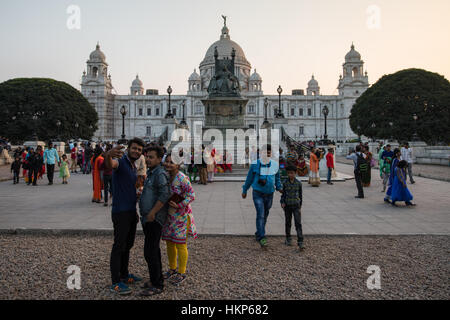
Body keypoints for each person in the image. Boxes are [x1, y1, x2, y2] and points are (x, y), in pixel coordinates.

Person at [104, 137, 145, 295]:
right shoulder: (120, 162)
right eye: (134, 148)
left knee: (127, 245)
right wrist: (108, 154)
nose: (136, 151)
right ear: (128, 148)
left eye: (139, 150)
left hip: (130, 210)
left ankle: (124, 274)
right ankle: (115, 282)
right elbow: (110, 165)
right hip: (120, 211)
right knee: (119, 246)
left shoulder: (133, 166)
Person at [139, 145, 170, 296]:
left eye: (151, 157)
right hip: (147, 217)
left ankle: (158, 284)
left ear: (159, 159)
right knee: (153, 251)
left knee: (150, 252)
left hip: (154, 218)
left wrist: (152, 212)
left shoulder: (160, 174)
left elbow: (165, 195)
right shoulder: (152, 173)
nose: (148, 159)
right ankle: (155, 279)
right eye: (147, 156)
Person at [162, 152, 197, 285]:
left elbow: (192, 195)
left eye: (172, 162)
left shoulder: (182, 178)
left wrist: (179, 204)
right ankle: (172, 268)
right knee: (170, 243)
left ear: (179, 164)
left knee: (180, 244)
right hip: (169, 215)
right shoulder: (166, 176)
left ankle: (182, 272)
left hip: (181, 216)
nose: (169, 165)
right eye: (167, 161)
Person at [242, 144, 283, 248]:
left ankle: (259, 232)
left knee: (265, 213)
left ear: (271, 153)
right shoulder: (255, 164)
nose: (267, 154)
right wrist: (245, 189)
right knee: (260, 213)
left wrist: (279, 187)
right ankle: (262, 237)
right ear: (260, 153)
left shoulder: (274, 164)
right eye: (265, 152)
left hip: (270, 193)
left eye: (269, 152)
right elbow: (249, 178)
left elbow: (277, 178)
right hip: (258, 193)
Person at [280, 165, 304, 250]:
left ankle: (300, 241)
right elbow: (283, 195)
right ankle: (288, 238)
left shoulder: (298, 183)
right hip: (287, 206)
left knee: (298, 223)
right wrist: (282, 202)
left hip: (296, 206)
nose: (291, 175)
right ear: (287, 174)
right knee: (288, 222)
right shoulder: (285, 183)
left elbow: (301, 196)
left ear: (295, 173)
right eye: (289, 173)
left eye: (292, 173)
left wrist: (300, 206)